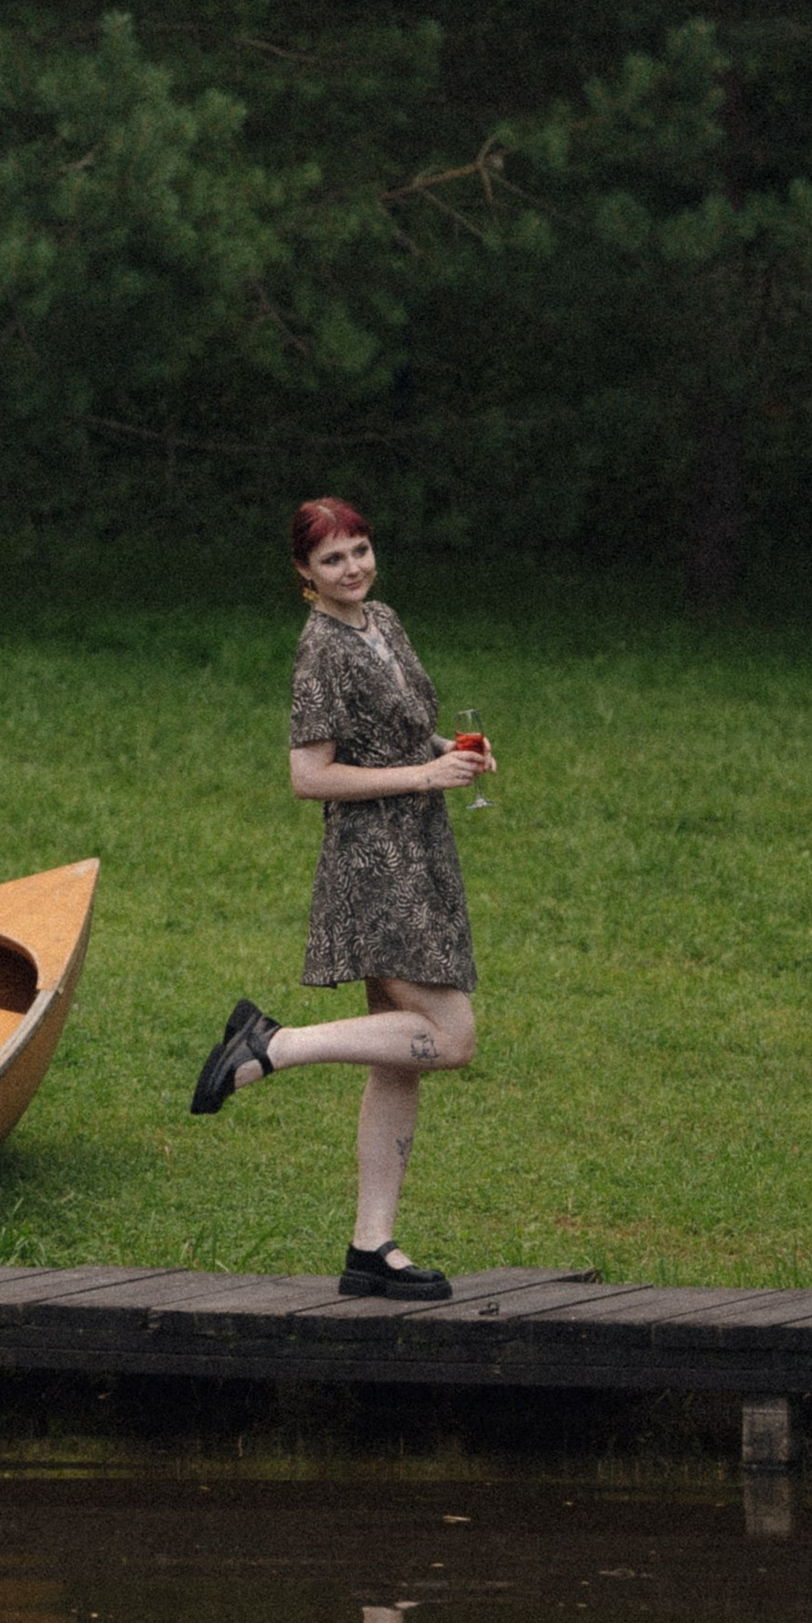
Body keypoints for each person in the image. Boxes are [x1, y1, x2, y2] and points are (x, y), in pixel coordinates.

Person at [188, 496, 490, 1300]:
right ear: (303, 573)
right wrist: (424, 776)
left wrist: (447, 752)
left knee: (402, 1064)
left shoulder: (381, 620)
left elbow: (391, 734)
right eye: (333, 560)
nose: (352, 568)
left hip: (421, 850)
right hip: (375, 862)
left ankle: (371, 1249)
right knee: (450, 1038)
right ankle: (273, 1045)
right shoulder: (320, 650)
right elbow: (308, 775)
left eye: (359, 550)